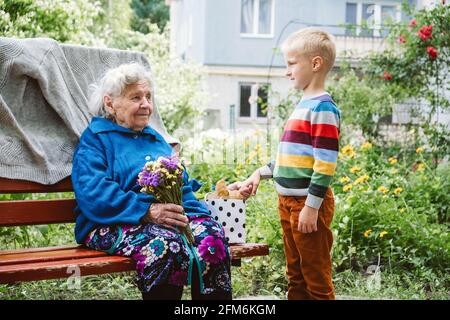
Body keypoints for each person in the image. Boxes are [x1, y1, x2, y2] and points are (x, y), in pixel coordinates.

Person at [71, 63, 232, 300]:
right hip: (110, 223)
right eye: (136, 97)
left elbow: (180, 183)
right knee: (165, 245)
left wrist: (196, 215)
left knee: (211, 239)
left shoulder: (154, 137)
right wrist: (146, 210)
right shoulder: (95, 140)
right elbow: (94, 192)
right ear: (110, 103)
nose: (146, 104)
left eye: (148, 96)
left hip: (167, 220)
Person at [230, 28, 341, 300]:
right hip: (288, 203)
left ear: (315, 64)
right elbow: (288, 158)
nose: (287, 71)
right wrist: (259, 173)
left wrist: (312, 208)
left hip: (307, 205)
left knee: (315, 276)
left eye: (292, 64)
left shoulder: (322, 109)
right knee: (295, 274)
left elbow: (325, 164)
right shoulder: (303, 105)